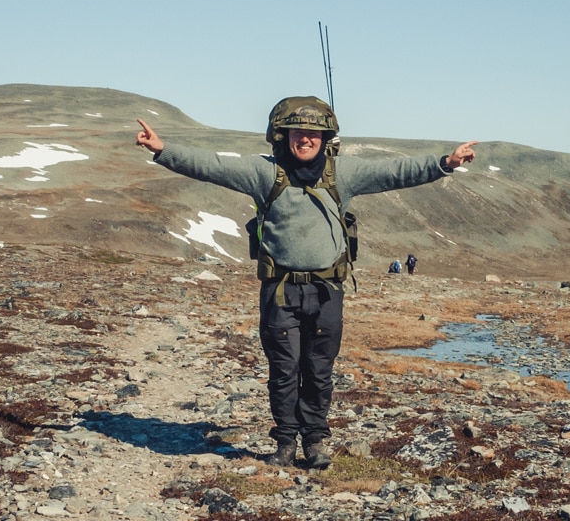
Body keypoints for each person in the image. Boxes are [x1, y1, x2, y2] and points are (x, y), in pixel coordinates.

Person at [135, 96, 477, 469]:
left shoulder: (342, 173)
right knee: (284, 370)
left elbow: (395, 171)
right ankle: (285, 443)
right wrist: (163, 150)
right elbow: (211, 166)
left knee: (318, 370)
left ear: (326, 137)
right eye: (297, 132)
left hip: (327, 291)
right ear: (282, 135)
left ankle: (315, 442)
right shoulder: (264, 173)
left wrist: (446, 163)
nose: (306, 139)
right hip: (280, 291)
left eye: (314, 133)